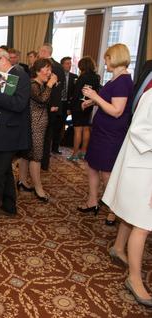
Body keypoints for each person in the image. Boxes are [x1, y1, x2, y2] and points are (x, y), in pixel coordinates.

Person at [103, 88, 152, 307]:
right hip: (144, 165)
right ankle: (134, 278)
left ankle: (119, 247)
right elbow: (140, 130)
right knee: (143, 223)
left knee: (132, 213)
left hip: (143, 164)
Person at [78, 43, 134, 226]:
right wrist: (91, 103)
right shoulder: (114, 79)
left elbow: (117, 111)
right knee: (92, 166)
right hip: (102, 132)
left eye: (107, 58)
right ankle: (93, 201)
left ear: (115, 58)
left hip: (111, 135)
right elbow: (107, 102)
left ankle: (114, 210)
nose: (105, 62)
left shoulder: (123, 81)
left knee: (107, 173)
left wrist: (95, 97)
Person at [0, 48, 31, 225]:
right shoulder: (4, 74)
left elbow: (18, 104)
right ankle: (9, 205)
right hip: (1, 131)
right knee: (5, 171)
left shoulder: (20, 75)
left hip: (11, 134)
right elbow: (3, 105)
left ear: (3, 60)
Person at [17, 58, 57, 202]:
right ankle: (38, 189)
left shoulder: (40, 84)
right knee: (36, 157)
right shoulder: (33, 84)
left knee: (27, 154)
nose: (49, 72)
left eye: (49, 69)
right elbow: (42, 100)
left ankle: (22, 180)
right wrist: (51, 85)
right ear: (38, 70)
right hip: (35, 126)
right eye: (46, 69)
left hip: (38, 124)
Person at [68, 56, 100, 161]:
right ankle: (84, 152)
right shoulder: (96, 77)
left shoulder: (82, 77)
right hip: (89, 104)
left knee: (77, 130)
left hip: (78, 105)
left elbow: (76, 93)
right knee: (86, 128)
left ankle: (75, 154)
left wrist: (70, 106)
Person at [38, 43, 65, 166]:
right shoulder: (59, 66)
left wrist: (53, 104)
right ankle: (43, 161)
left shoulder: (52, 66)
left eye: (40, 51)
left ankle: (42, 161)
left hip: (48, 104)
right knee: (47, 133)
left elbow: (55, 88)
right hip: (51, 104)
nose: (39, 54)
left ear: (44, 52)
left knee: (45, 133)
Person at [55, 56, 77, 153]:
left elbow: (73, 94)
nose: (69, 65)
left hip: (66, 104)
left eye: (70, 63)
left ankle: (56, 147)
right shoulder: (57, 75)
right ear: (62, 65)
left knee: (60, 126)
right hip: (56, 103)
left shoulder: (74, 77)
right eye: (67, 63)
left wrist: (69, 107)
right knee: (53, 125)